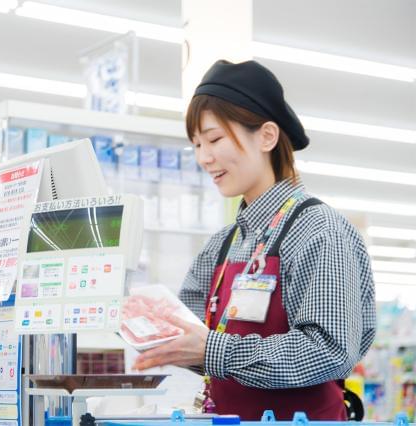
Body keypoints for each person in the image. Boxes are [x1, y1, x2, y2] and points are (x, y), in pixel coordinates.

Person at [132, 60, 376, 420]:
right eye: (196, 144)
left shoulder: (320, 230)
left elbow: (329, 350)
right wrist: (154, 331)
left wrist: (214, 351)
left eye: (214, 139)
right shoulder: (221, 245)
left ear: (266, 136)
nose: (204, 157)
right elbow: (198, 341)